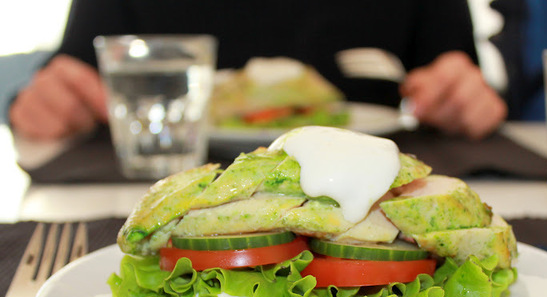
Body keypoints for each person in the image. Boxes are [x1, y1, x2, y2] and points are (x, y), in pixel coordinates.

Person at [9, 0, 507, 141]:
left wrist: (463, 98)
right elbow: (67, 81)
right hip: (158, 190)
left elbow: (457, 78)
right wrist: (41, 105)